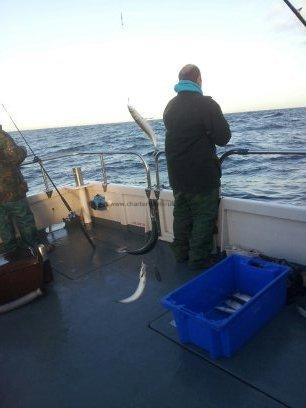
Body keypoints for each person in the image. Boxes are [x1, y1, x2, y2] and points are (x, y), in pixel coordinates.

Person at [163, 64, 231, 269]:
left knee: (182, 216)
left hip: (177, 176)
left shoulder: (170, 106)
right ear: (199, 80)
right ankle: (198, 260)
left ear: (180, 80)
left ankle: (181, 255)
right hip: (202, 176)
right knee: (203, 217)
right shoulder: (207, 105)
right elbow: (224, 138)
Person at [0, 124, 39, 254]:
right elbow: (15, 156)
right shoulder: (1, 135)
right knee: (24, 218)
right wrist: (23, 149)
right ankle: (32, 248)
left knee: (2, 223)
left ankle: (11, 252)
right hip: (10, 189)